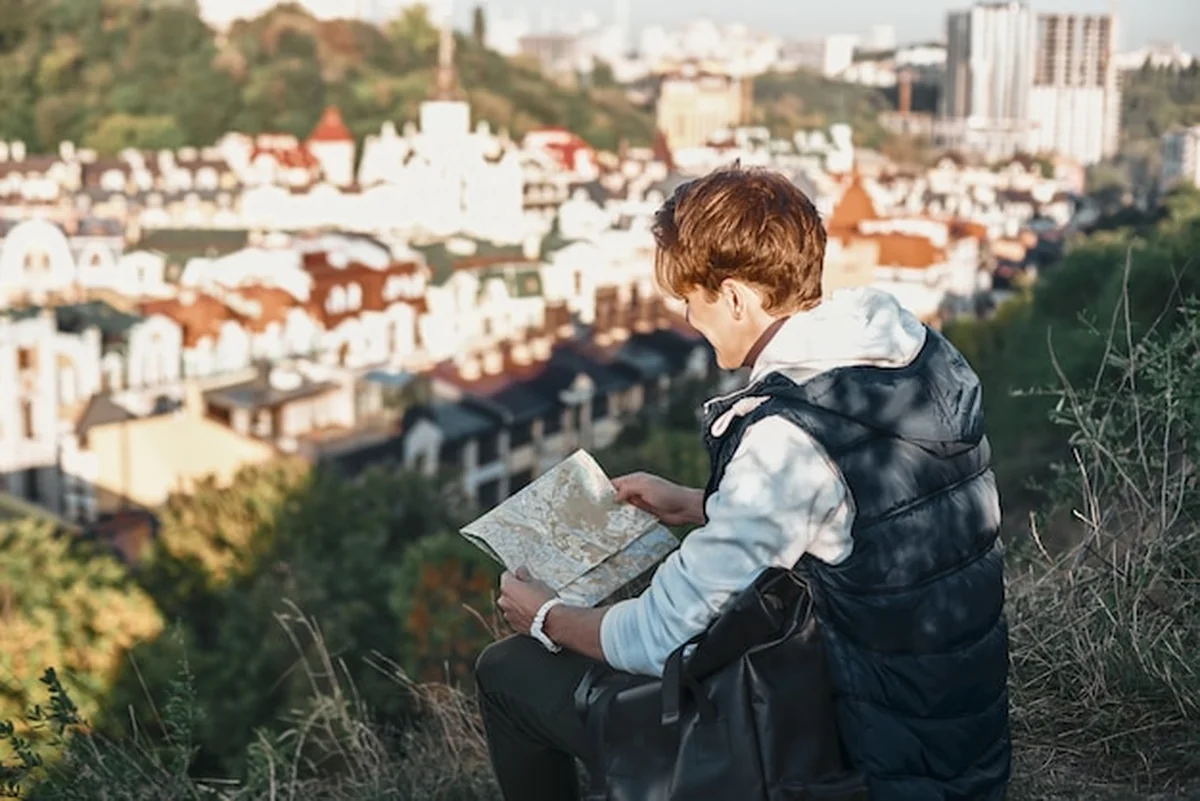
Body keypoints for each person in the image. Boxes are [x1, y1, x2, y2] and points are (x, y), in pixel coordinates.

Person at [476, 165, 1011, 801]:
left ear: (733, 297)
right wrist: (703, 504)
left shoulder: (789, 438)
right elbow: (869, 517)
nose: (690, 320)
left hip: (871, 762)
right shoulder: (913, 354)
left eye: (690, 301)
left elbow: (657, 634)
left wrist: (547, 619)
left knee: (507, 672)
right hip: (960, 742)